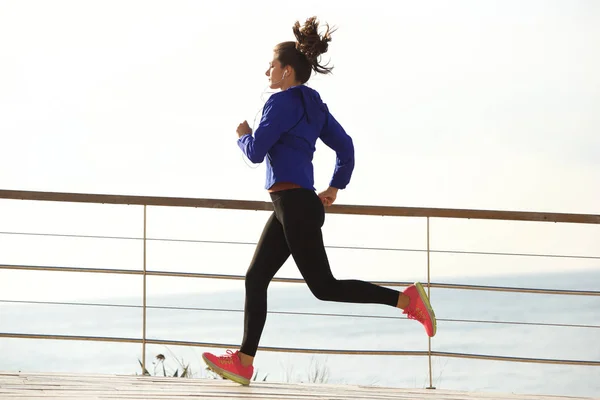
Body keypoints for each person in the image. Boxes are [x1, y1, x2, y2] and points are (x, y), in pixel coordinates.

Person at [202, 16, 436, 386]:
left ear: (287, 71)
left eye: (273, 65)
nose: (268, 70)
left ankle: (408, 301)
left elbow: (256, 153)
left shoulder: (279, 104)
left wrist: (243, 135)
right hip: (293, 206)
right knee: (255, 277)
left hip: (294, 206)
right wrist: (335, 186)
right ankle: (244, 362)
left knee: (325, 287)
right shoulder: (314, 104)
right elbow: (346, 147)